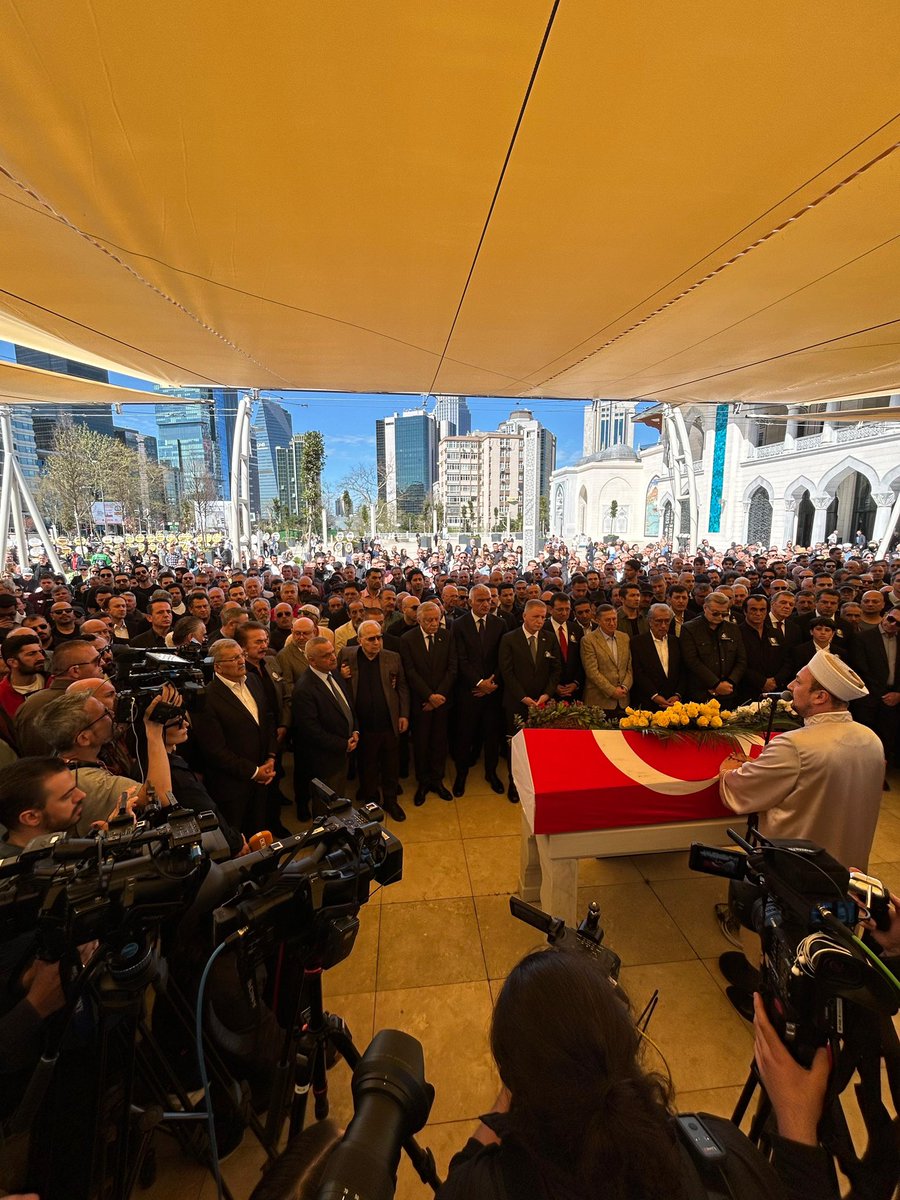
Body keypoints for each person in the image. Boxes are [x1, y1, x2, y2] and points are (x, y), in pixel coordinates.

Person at [438, 947, 838, 1200]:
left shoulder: (481, 1187)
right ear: (628, 1045)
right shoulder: (722, 1152)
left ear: (515, 1079)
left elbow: (461, 1173)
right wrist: (798, 1123)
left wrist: (517, 1083)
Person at [716, 652, 885, 1015]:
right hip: (847, 868)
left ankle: (766, 999)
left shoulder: (795, 745)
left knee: (780, 938)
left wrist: (729, 769)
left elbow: (741, 793)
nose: (790, 686)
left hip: (794, 870)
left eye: (799, 682)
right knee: (823, 935)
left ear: (821, 697)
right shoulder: (870, 738)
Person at [189, 638, 277, 836]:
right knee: (238, 837)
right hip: (232, 786)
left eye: (242, 655)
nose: (241, 661)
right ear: (218, 666)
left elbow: (268, 719)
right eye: (235, 658)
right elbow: (214, 750)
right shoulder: (207, 698)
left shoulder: (253, 681)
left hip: (264, 774)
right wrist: (255, 772)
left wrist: (271, 756)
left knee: (260, 831)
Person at [338, 620, 409, 821]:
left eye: (379, 637)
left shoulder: (392, 657)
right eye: (371, 639)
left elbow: (402, 686)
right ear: (360, 640)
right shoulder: (347, 655)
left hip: (388, 722)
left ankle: (390, 800)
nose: (377, 642)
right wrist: (340, 675)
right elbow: (333, 680)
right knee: (366, 764)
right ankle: (371, 802)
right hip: (362, 725)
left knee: (391, 764)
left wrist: (403, 714)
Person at [451, 584, 507, 795]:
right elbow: (460, 659)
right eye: (481, 600)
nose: (486, 604)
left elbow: (502, 658)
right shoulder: (459, 624)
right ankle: (461, 774)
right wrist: (478, 683)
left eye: (488, 600)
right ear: (471, 602)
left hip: (492, 691)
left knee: (492, 735)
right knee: (465, 735)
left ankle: (491, 773)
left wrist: (491, 683)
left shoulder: (499, 623)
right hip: (469, 691)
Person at [399, 602, 457, 806]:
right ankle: (423, 782)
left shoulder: (447, 636)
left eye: (437, 619)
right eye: (429, 620)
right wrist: (428, 696)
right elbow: (410, 672)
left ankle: (437, 780)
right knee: (422, 743)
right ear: (419, 620)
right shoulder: (407, 639)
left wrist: (438, 695)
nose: (434, 623)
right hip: (420, 702)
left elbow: (452, 668)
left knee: (440, 742)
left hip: (442, 701)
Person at [292, 636, 359, 806]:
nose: (333, 657)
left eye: (332, 652)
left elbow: (347, 704)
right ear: (312, 661)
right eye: (326, 655)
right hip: (326, 759)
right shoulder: (304, 689)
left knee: (339, 798)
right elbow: (311, 731)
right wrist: (343, 744)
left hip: (343, 749)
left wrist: (355, 729)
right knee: (327, 805)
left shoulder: (333, 672)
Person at [850, 608, 900, 766]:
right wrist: (882, 694)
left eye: (898, 623)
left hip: (894, 699)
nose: (892, 625)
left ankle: (880, 772)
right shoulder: (863, 638)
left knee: (887, 737)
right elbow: (860, 668)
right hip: (868, 698)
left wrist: (898, 693)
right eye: (891, 619)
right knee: (865, 738)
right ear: (885, 616)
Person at [680, 592, 747, 702]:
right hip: (701, 692)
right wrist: (715, 684)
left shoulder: (733, 629)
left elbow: (741, 660)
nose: (720, 617)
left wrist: (730, 682)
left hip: (730, 691)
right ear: (705, 608)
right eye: (715, 614)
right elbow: (691, 661)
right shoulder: (689, 628)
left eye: (724, 614)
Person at [580, 603, 632, 713]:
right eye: (607, 620)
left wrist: (625, 687)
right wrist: (612, 691)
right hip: (599, 701)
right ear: (598, 620)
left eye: (614, 619)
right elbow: (592, 671)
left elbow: (629, 667)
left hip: (623, 700)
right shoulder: (588, 640)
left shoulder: (624, 637)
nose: (612, 623)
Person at [629, 604, 683, 709]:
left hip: (674, 702)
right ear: (650, 621)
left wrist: (677, 694)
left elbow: (682, 671)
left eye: (667, 621)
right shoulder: (638, 643)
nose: (663, 625)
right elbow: (638, 672)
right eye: (658, 621)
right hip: (647, 702)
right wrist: (654, 695)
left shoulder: (676, 642)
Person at [0, 631, 47, 719]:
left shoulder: (52, 683)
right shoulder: (2, 696)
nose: (41, 658)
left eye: (40, 652)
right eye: (31, 654)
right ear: (13, 662)